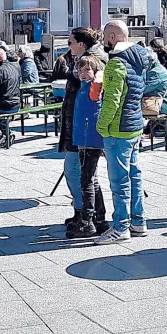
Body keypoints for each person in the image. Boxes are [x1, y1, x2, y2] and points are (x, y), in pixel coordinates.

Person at [96, 19, 154, 244]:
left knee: (119, 180)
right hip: (134, 125)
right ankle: (138, 222)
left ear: (112, 37)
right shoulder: (140, 60)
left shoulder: (116, 64)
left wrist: (102, 127)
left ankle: (120, 226)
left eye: (104, 37)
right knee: (134, 175)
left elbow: (112, 100)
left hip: (118, 129)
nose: (103, 41)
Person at [57, 28, 107, 233]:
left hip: (85, 131)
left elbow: (95, 100)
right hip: (78, 128)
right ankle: (88, 214)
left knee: (81, 174)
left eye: (70, 42)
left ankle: (89, 217)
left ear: (81, 44)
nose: (68, 47)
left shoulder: (91, 63)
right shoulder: (85, 62)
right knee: (82, 174)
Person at [68, 54, 110, 239]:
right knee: (92, 180)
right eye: (80, 70)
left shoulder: (93, 88)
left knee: (86, 181)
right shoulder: (83, 87)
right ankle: (100, 219)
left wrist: (98, 75)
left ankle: (87, 221)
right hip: (86, 138)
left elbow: (99, 84)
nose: (83, 74)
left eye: (87, 70)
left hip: (89, 139)